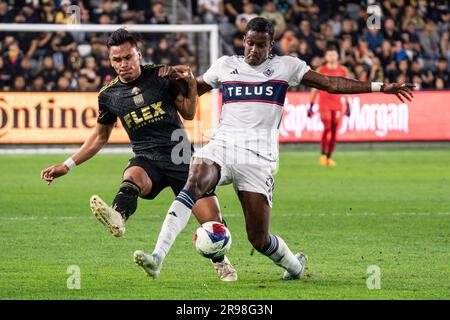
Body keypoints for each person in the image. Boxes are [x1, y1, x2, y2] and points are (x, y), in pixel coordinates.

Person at [133, 17, 414, 281]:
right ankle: (157, 256)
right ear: (243, 41)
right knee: (193, 180)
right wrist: (170, 81)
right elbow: (193, 90)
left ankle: (294, 265)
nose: (253, 50)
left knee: (259, 238)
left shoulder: (286, 66)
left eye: (260, 45)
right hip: (223, 146)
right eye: (249, 43)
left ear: (271, 46)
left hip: (258, 157)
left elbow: (331, 83)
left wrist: (381, 87)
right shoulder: (225, 65)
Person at [40, 28, 237, 282]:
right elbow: (100, 136)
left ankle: (221, 263)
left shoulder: (161, 75)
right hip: (147, 159)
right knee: (132, 175)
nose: (123, 65)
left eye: (128, 58)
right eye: (117, 60)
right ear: (110, 61)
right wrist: (67, 165)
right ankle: (118, 217)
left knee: (212, 224)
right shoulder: (108, 96)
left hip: (181, 158)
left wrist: (187, 81)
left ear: (138, 55)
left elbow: (188, 113)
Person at [308, 47, 351, 167]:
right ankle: (322, 155)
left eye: (334, 54)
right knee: (327, 128)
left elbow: (346, 88)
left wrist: (348, 104)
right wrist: (311, 104)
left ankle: (328, 157)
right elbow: (314, 88)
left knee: (334, 131)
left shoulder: (343, 70)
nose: (332, 56)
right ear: (326, 57)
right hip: (324, 104)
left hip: (337, 105)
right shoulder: (321, 70)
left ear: (337, 56)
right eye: (329, 54)